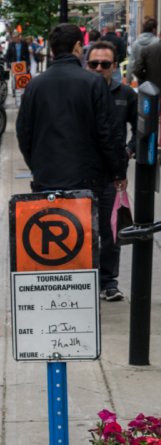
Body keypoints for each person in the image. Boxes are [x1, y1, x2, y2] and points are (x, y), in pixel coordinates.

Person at [17, 24, 128, 306]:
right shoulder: (92, 83)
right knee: (88, 235)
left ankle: (58, 295)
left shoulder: (34, 85)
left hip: (47, 177)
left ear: (52, 49)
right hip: (88, 178)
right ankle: (85, 297)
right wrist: (118, 171)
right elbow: (109, 133)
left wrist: (37, 164)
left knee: (55, 239)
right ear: (79, 47)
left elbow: (23, 133)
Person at [86, 40, 136, 301]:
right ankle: (84, 282)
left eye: (105, 64)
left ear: (115, 66)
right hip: (80, 174)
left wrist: (128, 152)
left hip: (111, 176)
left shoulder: (126, 95)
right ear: (86, 64)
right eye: (93, 63)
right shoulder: (78, 91)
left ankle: (108, 282)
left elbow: (142, 129)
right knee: (82, 231)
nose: (98, 68)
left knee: (110, 231)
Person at [129, 17, 159, 84]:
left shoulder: (136, 43)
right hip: (155, 77)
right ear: (154, 29)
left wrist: (128, 78)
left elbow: (132, 62)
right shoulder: (157, 42)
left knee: (142, 93)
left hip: (140, 76)